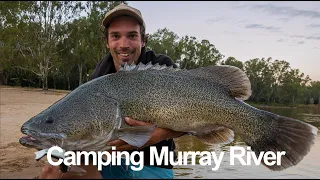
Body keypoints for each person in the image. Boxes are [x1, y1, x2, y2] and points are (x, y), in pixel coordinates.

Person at [38, 3, 184, 179]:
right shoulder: (98, 79)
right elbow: (79, 125)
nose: (123, 44)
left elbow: (197, 117)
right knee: (54, 171)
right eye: (115, 36)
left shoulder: (162, 69)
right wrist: (58, 155)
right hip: (109, 161)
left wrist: (160, 135)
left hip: (153, 163)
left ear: (143, 40)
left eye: (132, 36)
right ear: (107, 41)